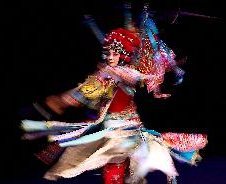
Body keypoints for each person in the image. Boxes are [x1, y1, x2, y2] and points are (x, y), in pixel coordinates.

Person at [21, 8, 207, 184]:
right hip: (111, 129)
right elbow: (86, 94)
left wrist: (64, 100)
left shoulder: (122, 73)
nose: (110, 56)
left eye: (115, 53)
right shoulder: (107, 74)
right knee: (117, 171)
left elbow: (131, 77)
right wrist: (65, 100)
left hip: (125, 131)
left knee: (123, 171)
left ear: (124, 55)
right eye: (108, 53)